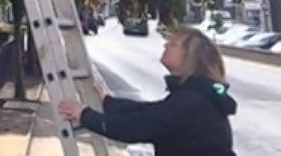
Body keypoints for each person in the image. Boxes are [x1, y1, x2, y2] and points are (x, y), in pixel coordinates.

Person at [57, 26, 237, 156]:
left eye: (173, 45)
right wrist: (109, 103)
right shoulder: (195, 94)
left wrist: (84, 115)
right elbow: (151, 111)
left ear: (189, 56)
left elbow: (138, 126)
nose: (165, 46)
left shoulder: (191, 100)